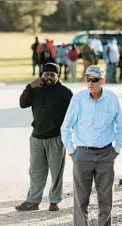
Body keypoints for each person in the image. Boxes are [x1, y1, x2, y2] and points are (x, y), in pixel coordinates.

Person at [60, 65, 122, 226]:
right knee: (81, 201)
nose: (90, 83)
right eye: (87, 79)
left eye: (94, 79)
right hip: (82, 154)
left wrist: (116, 150)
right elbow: (66, 127)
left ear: (102, 81)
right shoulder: (78, 98)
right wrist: (72, 152)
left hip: (106, 154)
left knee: (106, 201)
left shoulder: (112, 98)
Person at [16, 63, 73, 212]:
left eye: (52, 75)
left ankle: (54, 201)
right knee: (36, 171)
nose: (48, 77)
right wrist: (29, 87)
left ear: (58, 76)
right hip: (36, 137)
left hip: (56, 138)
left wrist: (67, 136)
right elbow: (23, 104)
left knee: (56, 172)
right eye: (46, 74)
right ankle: (33, 201)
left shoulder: (65, 92)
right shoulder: (35, 89)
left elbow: (73, 116)